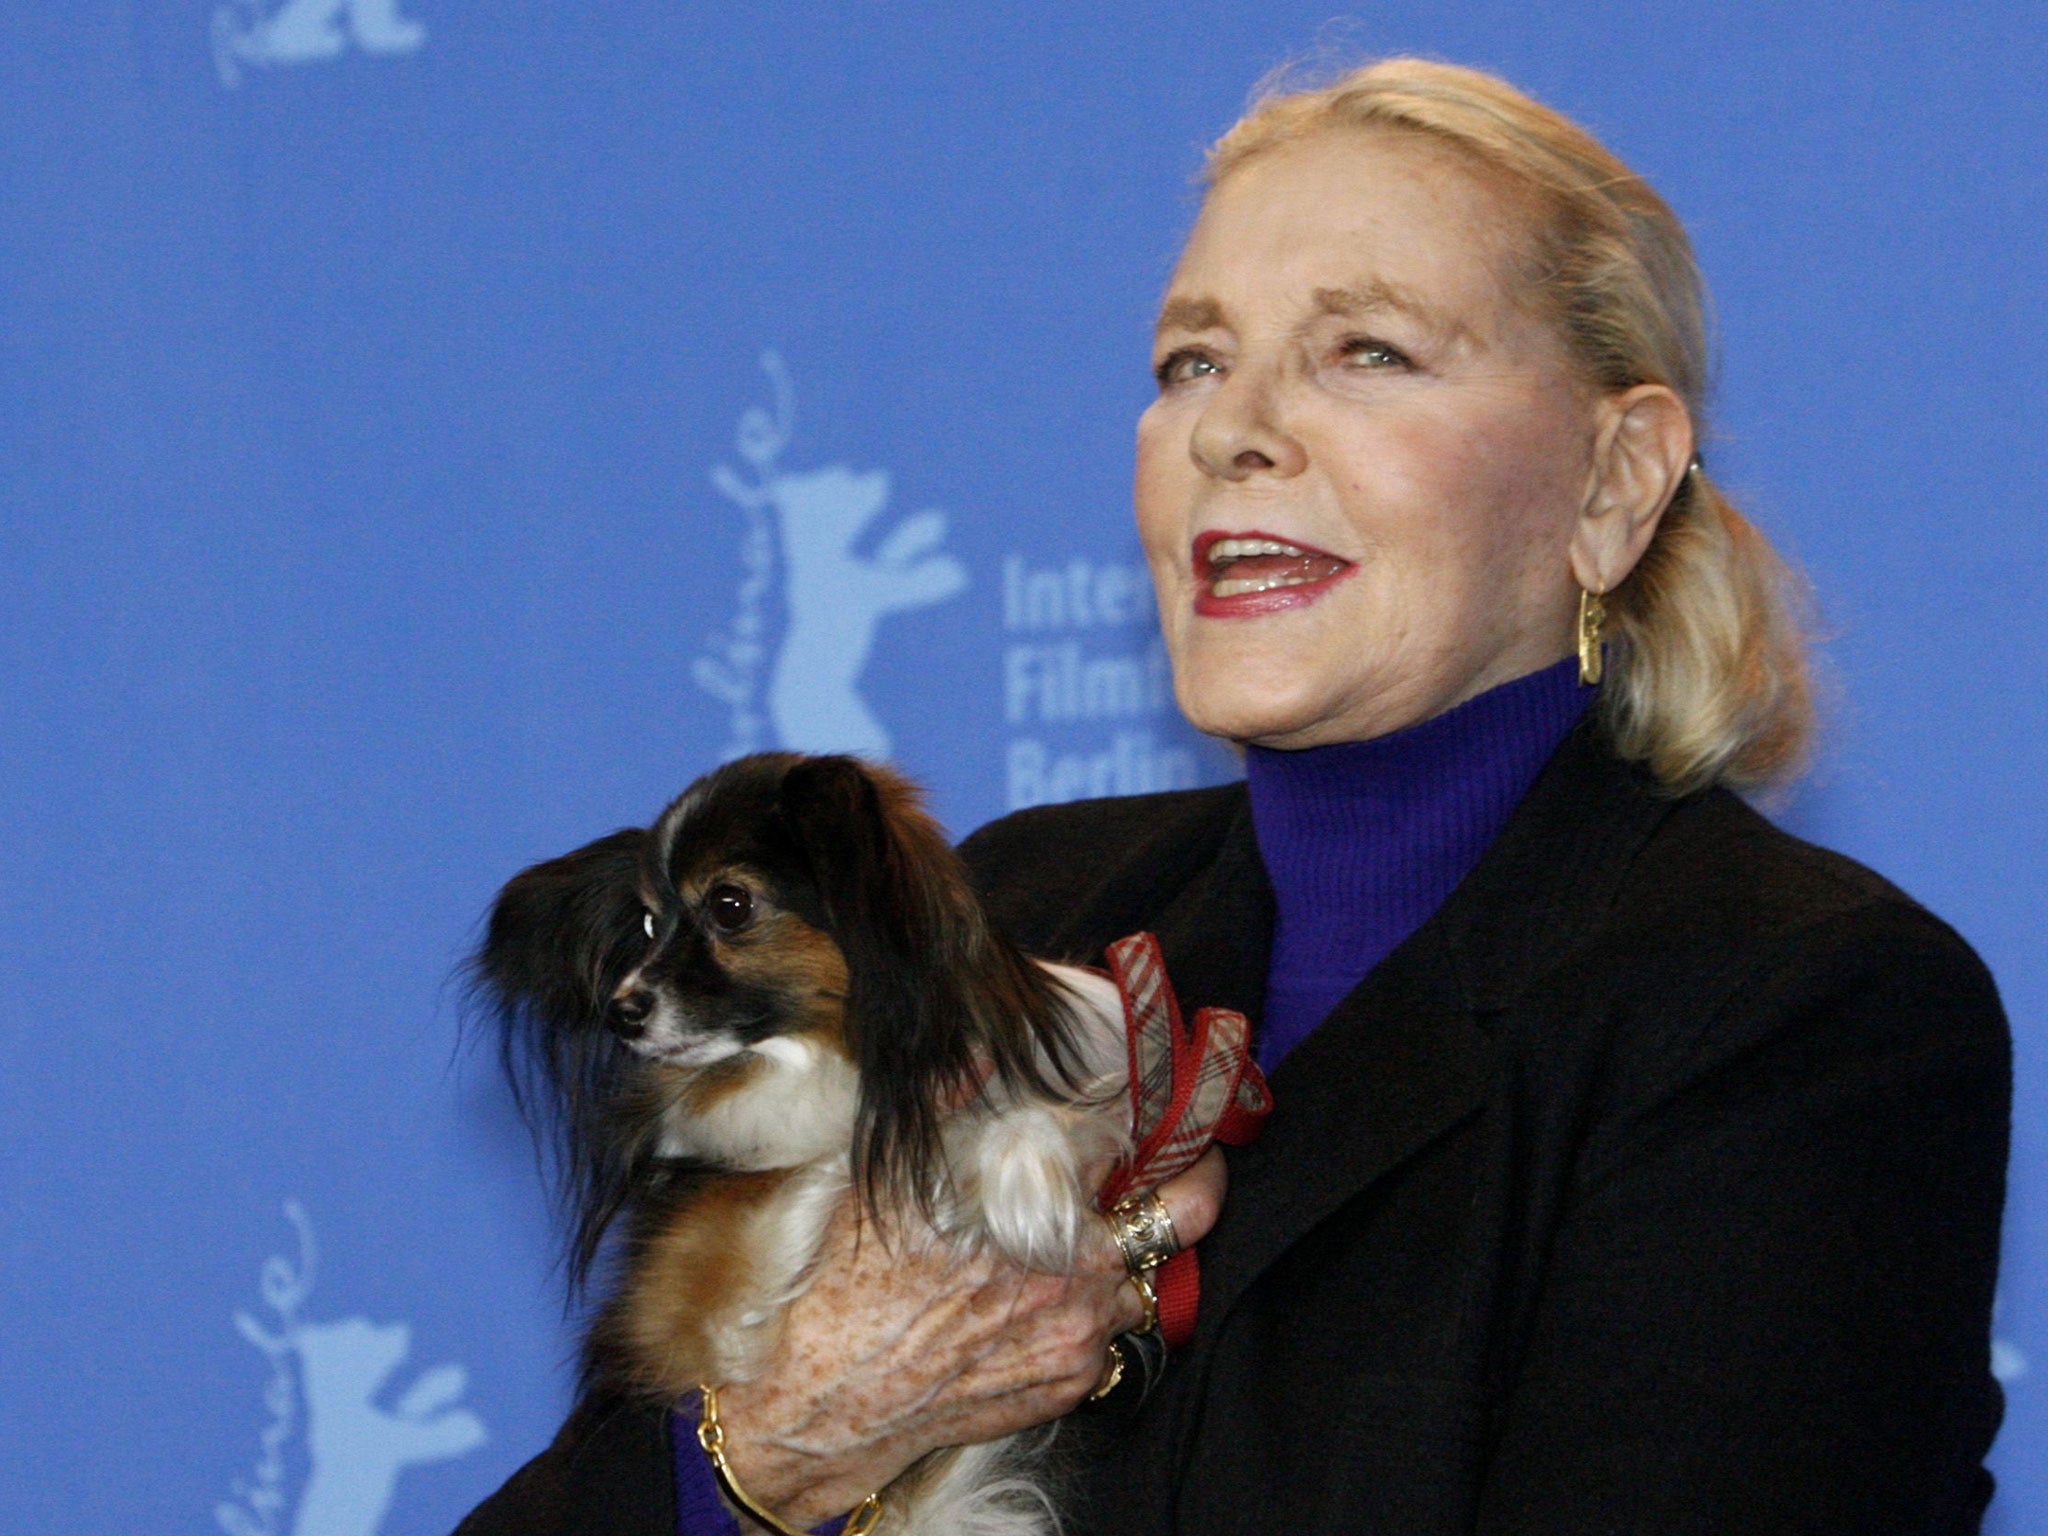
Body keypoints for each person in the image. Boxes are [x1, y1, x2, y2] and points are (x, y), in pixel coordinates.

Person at [456, 57, 2010, 1536]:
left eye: (1368, 350)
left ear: (1612, 482)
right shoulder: (1006, 914)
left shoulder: (1799, 1012)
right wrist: (785, 1441)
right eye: (1192, 360)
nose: (1232, 428)